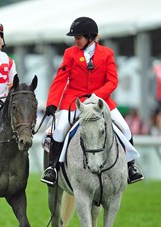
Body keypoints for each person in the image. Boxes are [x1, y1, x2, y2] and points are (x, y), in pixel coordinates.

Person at [40, 17, 144, 185]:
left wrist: (96, 96)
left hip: (101, 101)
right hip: (74, 100)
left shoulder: (107, 54)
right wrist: (52, 103)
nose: (75, 41)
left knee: (125, 129)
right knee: (59, 130)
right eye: (75, 38)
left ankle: (131, 166)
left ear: (90, 37)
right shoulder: (70, 54)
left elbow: (112, 81)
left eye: (78, 37)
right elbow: (60, 79)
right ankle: (53, 169)